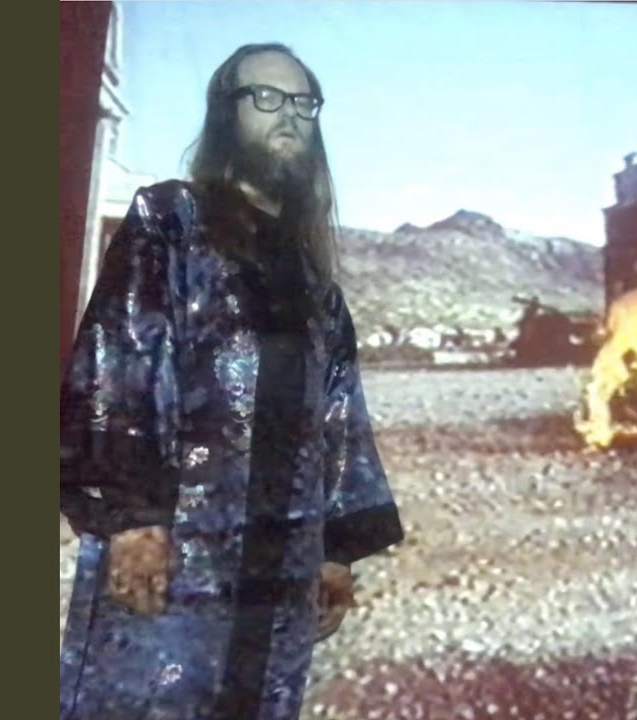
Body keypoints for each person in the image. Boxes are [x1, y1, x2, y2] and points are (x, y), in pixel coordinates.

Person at [58, 43, 405, 720]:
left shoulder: (315, 283)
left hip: (281, 580)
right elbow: (119, 360)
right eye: (266, 97)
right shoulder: (171, 222)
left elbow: (340, 417)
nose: (289, 114)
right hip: (172, 559)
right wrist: (133, 520)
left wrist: (336, 551)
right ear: (227, 113)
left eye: (303, 101)